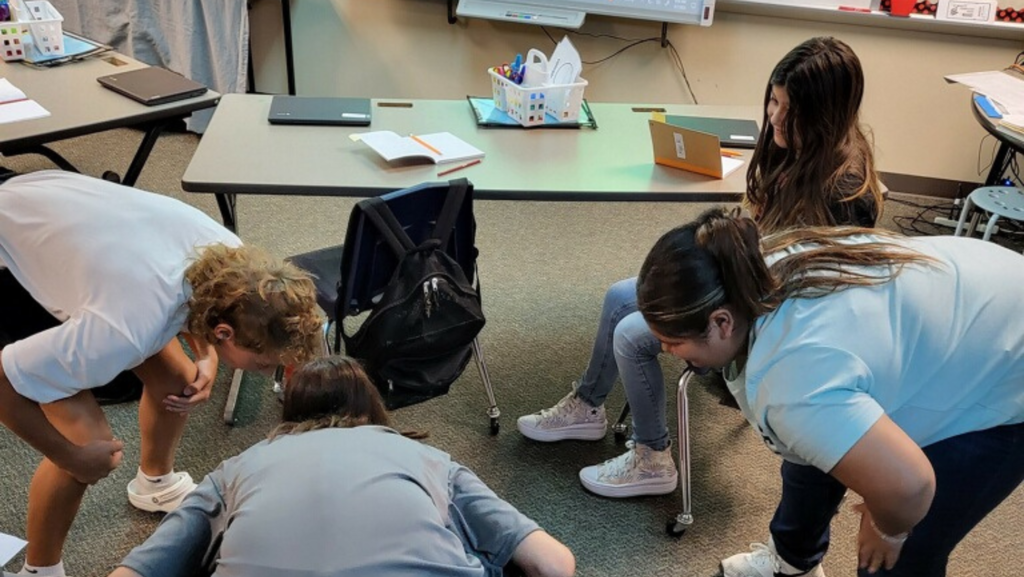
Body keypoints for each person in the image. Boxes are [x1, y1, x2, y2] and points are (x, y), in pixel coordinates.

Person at [517, 36, 884, 499]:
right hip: (743, 286)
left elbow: (806, 301)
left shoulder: (845, 196)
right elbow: (759, 238)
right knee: (618, 296)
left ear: (825, 118)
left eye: (789, 109)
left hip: (763, 325)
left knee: (632, 335)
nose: (774, 116)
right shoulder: (794, 151)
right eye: (773, 100)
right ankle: (588, 407)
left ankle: (652, 457)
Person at [635, 207, 1024, 576]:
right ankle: (792, 561)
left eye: (672, 341)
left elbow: (910, 484)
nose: (668, 351)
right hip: (984, 287)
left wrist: (888, 527)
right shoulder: (746, 264)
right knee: (812, 453)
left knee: (894, 558)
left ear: (721, 322)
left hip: (1006, 365)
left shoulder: (792, 385)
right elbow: (811, 442)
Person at [0, 171, 324, 577]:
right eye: (263, 364)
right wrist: (72, 457)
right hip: (11, 265)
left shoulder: (237, 263)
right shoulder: (124, 331)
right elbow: (4, 382)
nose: (265, 373)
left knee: (181, 382)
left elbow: (198, 301)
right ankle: (39, 571)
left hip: (56, 214)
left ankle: (153, 484)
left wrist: (207, 356)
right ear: (226, 333)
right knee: (88, 442)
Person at [106, 355, 576, 577]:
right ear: (371, 408)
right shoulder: (428, 459)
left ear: (291, 414)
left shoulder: (236, 469)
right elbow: (554, 563)